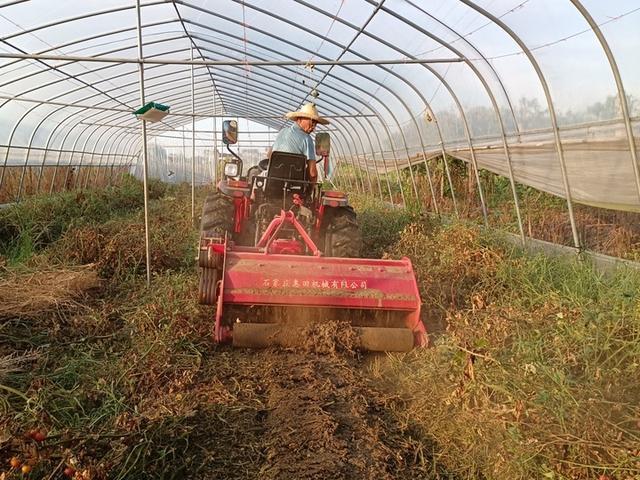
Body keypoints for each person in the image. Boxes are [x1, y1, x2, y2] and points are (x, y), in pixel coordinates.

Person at [271, 102, 329, 184]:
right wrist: (311, 191)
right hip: (295, 186)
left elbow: (270, 154)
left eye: (315, 124)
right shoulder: (307, 139)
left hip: (273, 181)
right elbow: (312, 174)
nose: (313, 127)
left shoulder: (282, 132)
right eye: (312, 122)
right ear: (299, 119)